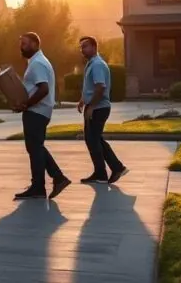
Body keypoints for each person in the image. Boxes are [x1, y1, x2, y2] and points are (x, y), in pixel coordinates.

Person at [14, 32, 72, 200]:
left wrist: (26, 104)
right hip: (39, 111)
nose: (21, 47)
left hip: (36, 112)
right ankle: (50, 181)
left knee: (35, 148)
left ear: (34, 44)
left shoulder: (37, 63)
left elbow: (43, 89)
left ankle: (44, 184)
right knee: (35, 147)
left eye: (24, 44)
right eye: (21, 44)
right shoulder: (38, 61)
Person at [78, 36, 129, 184]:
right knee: (94, 139)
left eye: (85, 46)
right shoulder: (92, 64)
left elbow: (100, 87)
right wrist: (83, 100)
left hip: (99, 108)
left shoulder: (97, 65)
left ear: (94, 47)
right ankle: (109, 170)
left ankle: (107, 171)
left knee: (93, 139)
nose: (82, 50)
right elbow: (92, 86)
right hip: (95, 106)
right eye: (81, 47)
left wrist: (92, 107)